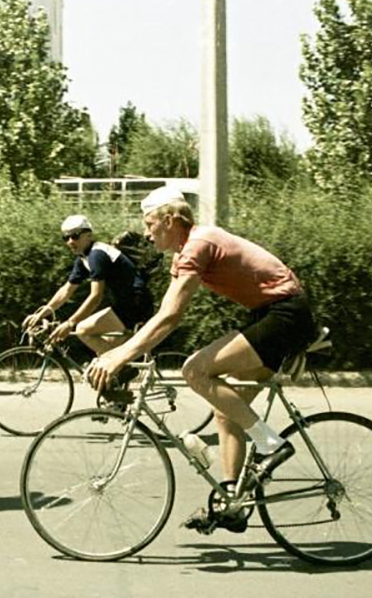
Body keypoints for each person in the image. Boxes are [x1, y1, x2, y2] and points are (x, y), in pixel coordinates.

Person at [85, 187, 316, 533]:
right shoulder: (187, 252)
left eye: (150, 223)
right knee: (227, 410)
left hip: (284, 314)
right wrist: (119, 351)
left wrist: (118, 357)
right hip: (272, 314)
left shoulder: (198, 244)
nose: (147, 233)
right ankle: (233, 502)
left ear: (170, 220)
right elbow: (162, 313)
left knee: (194, 369)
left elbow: (169, 317)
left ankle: (271, 445)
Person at [23, 214, 154, 356]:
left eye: (75, 236)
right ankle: (122, 366)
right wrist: (41, 314)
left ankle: (123, 366)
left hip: (135, 305)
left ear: (89, 235)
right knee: (103, 348)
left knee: (82, 330)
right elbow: (66, 290)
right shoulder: (83, 258)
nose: (70, 241)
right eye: (66, 238)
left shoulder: (97, 255)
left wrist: (70, 323)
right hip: (126, 304)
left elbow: (96, 296)